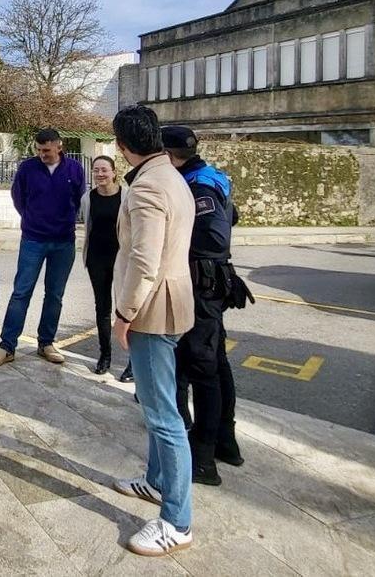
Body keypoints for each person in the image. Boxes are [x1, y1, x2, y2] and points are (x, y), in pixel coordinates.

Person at [107, 105, 196, 557]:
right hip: (172, 300)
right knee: (161, 403)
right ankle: (157, 482)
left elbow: (145, 260)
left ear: (122, 146)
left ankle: (177, 522)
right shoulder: (171, 175)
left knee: (163, 415)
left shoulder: (146, 187)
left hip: (152, 309)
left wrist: (124, 314)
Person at [161, 126, 246, 486]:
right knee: (215, 365)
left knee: (203, 368)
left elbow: (214, 234)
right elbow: (234, 215)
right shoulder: (209, 176)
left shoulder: (197, 185)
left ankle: (204, 458)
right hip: (209, 285)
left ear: (169, 154)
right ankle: (226, 441)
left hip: (202, 287)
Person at [0, 128, 85, 367]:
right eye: (39, 150)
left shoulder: (75, 169)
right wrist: (31, 218)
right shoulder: (27, 168)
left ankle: (46, 343)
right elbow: (18, 198)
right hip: (33, 239)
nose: (42, 154)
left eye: (47, 150)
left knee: (55, 294)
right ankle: (7, 346)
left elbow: (78, 197)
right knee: (21, 292)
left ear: (59, 146)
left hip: (64, 241)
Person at [78, 155, 126, 376]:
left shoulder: (127, 196)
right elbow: (87, 224)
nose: (100, 174)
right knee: (102, 308)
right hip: (96, 258)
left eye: (104, 170)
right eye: (96, 170)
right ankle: (105, 355)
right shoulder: (88, 198)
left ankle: (133, 362)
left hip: (122, 259)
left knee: (127, 309)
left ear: (114, 172)